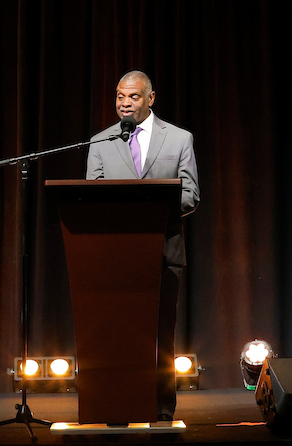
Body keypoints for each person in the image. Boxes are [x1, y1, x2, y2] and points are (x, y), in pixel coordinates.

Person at [86, 70, 199, 421]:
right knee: (117, 337)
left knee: (161, 337)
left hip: (164, 252)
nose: (125, 103)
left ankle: (162, 410)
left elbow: (191, 195)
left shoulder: (178, 138)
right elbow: (92, 196)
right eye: (120, 96)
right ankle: (118, 406)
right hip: (116, 255)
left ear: (150, 99)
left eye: (133, 97)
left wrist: (149, 208)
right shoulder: (100, 141)